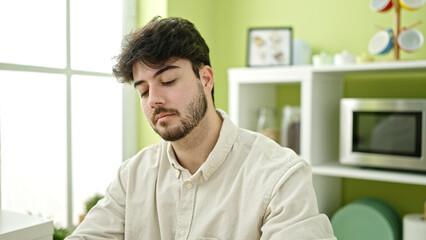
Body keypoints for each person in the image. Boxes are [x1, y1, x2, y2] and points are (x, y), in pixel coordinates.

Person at [66, 16, 336, 240]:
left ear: (205, 79)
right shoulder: (132, 177)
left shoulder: (280, 177)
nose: (154, 100)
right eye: (144, 91)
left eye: (168, 80)